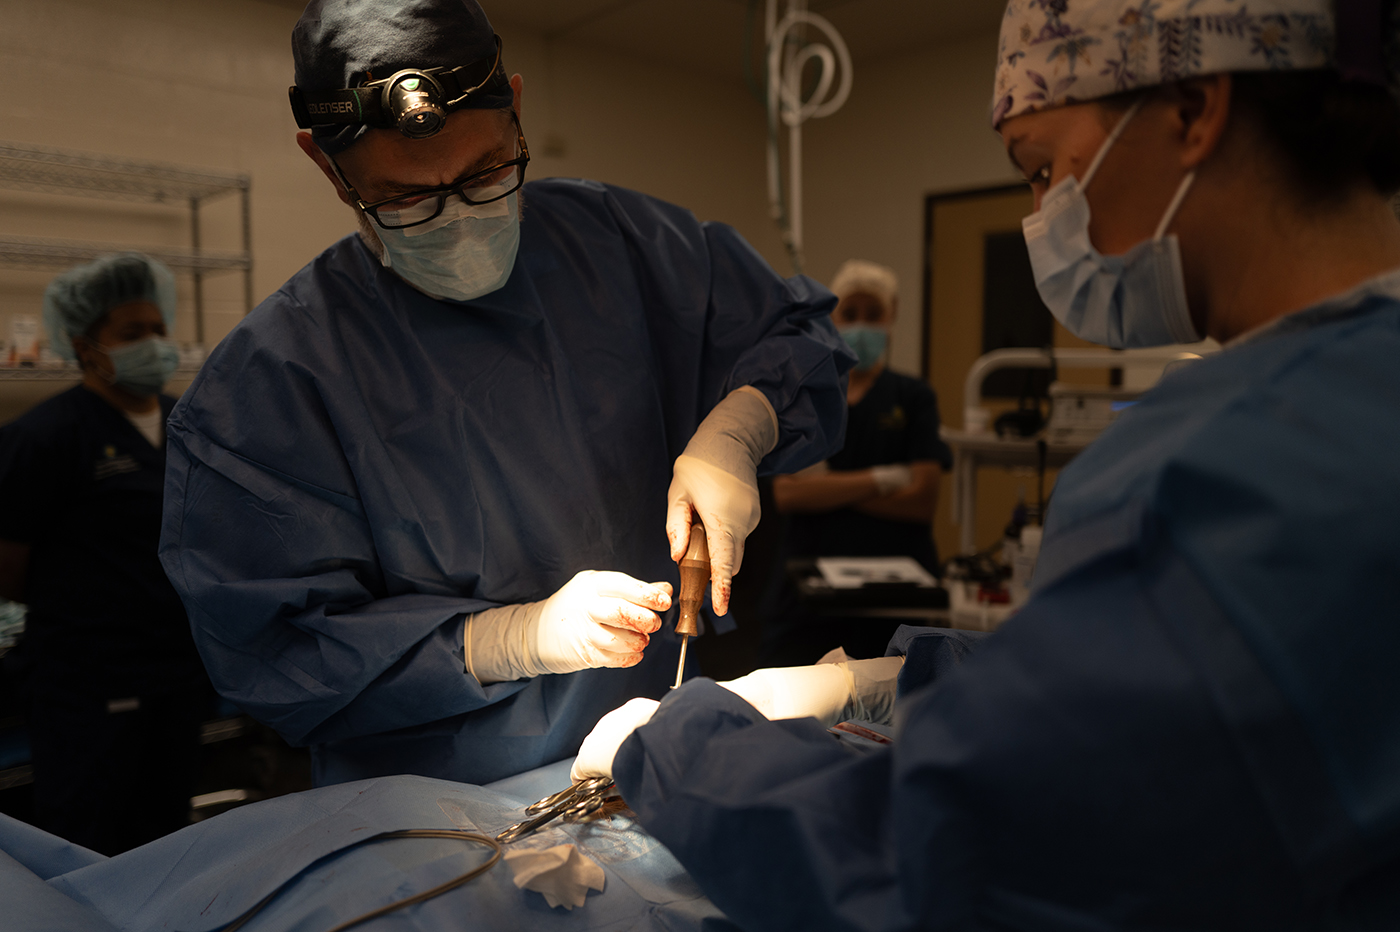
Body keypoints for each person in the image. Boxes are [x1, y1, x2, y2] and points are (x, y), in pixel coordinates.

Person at [571, 0, 1400, 927]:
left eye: (1042, 168)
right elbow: (1137, 703)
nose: (1041, 215)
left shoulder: (1216, 480)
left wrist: (683, 743)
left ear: (1194, 107)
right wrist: (874, 684)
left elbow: (939, 863)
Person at [158, 0, 852, 789]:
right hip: (427, 814)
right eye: (406, 199)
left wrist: (740, 428)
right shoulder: (267, 389)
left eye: (486, 173)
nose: (457, 218)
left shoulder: (618, 245)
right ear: (325, 164)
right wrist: (506, 639)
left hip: (661, 766)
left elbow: (799, 339)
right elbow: (276, 657)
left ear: (516, 110)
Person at [0, 254, 210, 855]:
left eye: (157, 329)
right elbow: (9, 567)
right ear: (86, 346)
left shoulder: (188, 424)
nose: (152, 344)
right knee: (87, 840)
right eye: (131, 333)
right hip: (87, 681)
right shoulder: (46, 437)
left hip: (175, 670)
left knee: (168, 834)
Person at [760, 260, 952, 663]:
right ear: (832, 316)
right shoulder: (805, 396)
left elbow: (921, 502)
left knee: (885, 713)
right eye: (850, 314)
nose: (861, 325)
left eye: (873, 314)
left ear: (891, 315)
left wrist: (827, 490)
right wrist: (886, 478)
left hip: (892, 603)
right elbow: (787, 496)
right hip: (805, 596)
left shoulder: (913, 397)